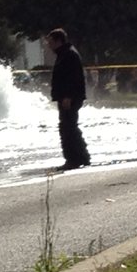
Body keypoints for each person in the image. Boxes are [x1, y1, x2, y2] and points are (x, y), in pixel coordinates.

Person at [46, 28, 90, 171]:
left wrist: (68, 97)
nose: (48, 45)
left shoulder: (69, 54)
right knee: (70, 127)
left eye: (51, 42)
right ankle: (82, 156)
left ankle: (73, 159)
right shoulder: (64, 53)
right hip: (66, 97)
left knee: (67, 128)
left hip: (70, 98)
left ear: (59, 41)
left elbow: (74, 78)